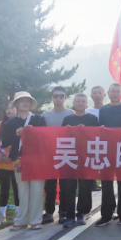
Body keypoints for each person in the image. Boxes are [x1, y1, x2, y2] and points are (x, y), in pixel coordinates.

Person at [1, 92, 46, 231]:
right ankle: (21, 219)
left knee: (37, 190)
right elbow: (4, 143)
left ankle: (36, 220)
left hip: (37, 159)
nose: (25, 103)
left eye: (27, 101)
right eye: (22, 101)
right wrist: (16, 134)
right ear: (16, 104)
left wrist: (34, 133)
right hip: (19, 160)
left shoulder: (39, 119)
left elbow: (46, 138)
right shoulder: (10, 123)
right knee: (22, 191)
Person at [94, 83, 121, 227]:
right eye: (113, 91)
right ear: (108, 93)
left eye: (118, 91)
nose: (115, 93)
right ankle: (106, 215)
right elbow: (101, 128)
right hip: (107, 150)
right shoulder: (104, 109)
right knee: (106, 183)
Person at [60, 93, 100, 228]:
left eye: (83, 101)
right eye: (77, 101)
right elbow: (61, 136)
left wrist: (85, 131)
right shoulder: (67, 119)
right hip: (70, 156)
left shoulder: (92, 119)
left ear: (86, 103)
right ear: (73, 103)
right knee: (69, 187)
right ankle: (69, 215)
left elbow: (97, 137)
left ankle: (82, 213)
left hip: (86, 157)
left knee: (85, 187)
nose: (80, 103)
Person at [41, 86, 74, 225]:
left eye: (61, 96)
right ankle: (49, 212)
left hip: (66, 152)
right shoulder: (45, 115)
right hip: (50, 153)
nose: (58, 98)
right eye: (56, 96)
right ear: (52, 98)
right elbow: (40, 133)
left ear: (65, 98)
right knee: (50, 184)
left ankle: (63, 212)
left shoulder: (71, 114)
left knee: (65, 184)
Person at [0, 103, 19, 225]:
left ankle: (18, 214)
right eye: (7, 108)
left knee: (17, 188)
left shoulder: (20, 124)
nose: (9, 110)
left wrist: (11, 155)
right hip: (1, 162)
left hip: (15, 162)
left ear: (17, 110)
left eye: (12, 108)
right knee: (4, 188)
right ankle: (2, 215)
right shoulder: (1, 124)